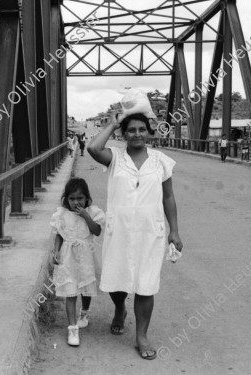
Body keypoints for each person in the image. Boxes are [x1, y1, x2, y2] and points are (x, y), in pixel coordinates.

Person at [87, 109, 183, 360]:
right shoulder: (115, 157)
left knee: (146, 283)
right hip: (118, 229)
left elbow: (169, 196)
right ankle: (119, 309)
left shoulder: (161, 160)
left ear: (149, 132)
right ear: (124, 133)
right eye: (131, 130)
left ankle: (141, 336)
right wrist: (111, 124)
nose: (137, 134)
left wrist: (175, 230)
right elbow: (93, 148)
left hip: (150, 231)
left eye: (141, 129)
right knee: (117, 278)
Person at [51, 178, 105, 347]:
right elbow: (60, 234)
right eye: (72, 199)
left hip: (87, 256)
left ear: (86, 198)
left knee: (86, 287)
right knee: (71, 289)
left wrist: (86, 216)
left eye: (80, 198)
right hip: (68, 257)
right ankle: (72, 328)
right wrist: (56, 251)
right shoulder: (62, 214)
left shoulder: (93, 212)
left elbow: (96, 231)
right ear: (66, 199)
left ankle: (84, 313)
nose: (76, 202)